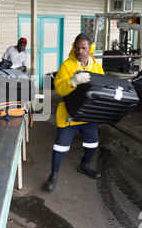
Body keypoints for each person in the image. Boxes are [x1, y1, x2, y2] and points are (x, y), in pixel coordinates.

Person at [44, 33, 105, 191]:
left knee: (92, 144)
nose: (80, 51)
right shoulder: (67, 65)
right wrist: (72, 81)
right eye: (77, 47)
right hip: (68, 113)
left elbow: (102, 89)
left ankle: (84, 165)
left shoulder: (97, 67)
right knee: (60, 146)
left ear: (90, 48)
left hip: (88, 114)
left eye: (84, 48)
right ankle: (54, 174)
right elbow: (58, 87)